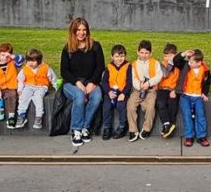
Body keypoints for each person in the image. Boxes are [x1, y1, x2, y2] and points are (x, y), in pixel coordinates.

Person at [60, 17, 106, 147]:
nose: (81, 33)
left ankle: (85, 127)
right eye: (78, 30)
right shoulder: (68, 48)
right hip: (72, 83)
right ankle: (76, 130)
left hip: (91, 81)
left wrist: (92, 82)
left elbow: (100, 67)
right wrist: (77, 83)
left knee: (97, 97)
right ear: (73, 31)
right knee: (79, 96)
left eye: (84, 30)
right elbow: (64, 71)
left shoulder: (95, 46)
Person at [127, 40, 161, 141]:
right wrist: (139, 86)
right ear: (138, 52)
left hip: (151, 90)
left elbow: (159, 75)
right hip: (138, 89)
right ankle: (133, 130)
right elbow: (133, 78)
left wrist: (149, 83)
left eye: (146, 53)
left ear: (150, 53)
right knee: (130, 106)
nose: (144, 55)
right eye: (142, 52)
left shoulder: (155, 63)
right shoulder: (134, 64)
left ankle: (146, 128)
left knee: (150, 108)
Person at [176, 48, 211, 147]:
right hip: (185, 96)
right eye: (189, 60)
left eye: (192, 62)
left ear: (199, 63)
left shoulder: (205, 71)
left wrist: (204, 93)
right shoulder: (186, 66)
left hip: (197, 96)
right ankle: (189, 136)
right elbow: (176, 61)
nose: (189, 63)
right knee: (187, 115)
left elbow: (207, 83)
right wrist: (184, 54)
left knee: (200, 115)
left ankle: (201, 136)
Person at [15, 48, 56, 129]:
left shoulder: (45, 68)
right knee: (23, 97)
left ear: (39, 61)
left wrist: (56, 87)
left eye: (33, 61)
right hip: (29, 85)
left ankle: (38, 117)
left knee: (38, 98)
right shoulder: (25, 69)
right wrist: (20, 89)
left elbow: (53, 77)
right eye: (29, 61)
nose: (31, 63)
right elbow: (20, 79)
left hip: (41, 86)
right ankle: (21, 115)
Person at [100, 44, 131, 140]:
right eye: (117, 56)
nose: (119, 59)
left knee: (121, 105)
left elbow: (129, 82)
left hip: (122, 92)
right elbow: (104, 81)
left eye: (122, 56)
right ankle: (107, 127)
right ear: (112, 57)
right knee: (106, 106)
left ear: (125, 56)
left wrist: (123, 93)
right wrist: (109, 91)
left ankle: (122, 126)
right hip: (111, 92)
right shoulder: (109, 67)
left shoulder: (128, 66)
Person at [156, 43, 184, 139]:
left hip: (173, 89)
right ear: (164, 56)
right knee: (160, 103)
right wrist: (170, 63)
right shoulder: (161, 64)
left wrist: (175, 90)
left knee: (173, 103)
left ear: (175, 55)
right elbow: (165, 74)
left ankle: (172, 124)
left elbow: (181, 79)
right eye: (167, 55)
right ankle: (166, 123)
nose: (169, 57)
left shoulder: (178, 65)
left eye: (172, 55)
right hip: (163, 88)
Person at [0, 43, 20, 129]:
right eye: (2, 55)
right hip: (0, 87)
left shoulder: (13, 63)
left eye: (7, 56)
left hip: (12, 86)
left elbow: (21, 59)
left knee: (12, 95)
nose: (4, 58)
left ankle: (11, 116)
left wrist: (12, 57)